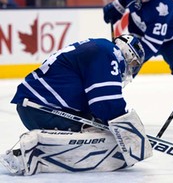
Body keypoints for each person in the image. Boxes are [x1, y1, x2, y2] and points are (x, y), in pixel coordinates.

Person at [0, 34, 152, 175]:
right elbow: (106, 104)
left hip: (37, 105)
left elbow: (98, 106)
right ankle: (30, 154)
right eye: (133, 64)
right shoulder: (107, 53)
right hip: (42, 108)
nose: (131, 69)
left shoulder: (101, 48)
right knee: (107, 140)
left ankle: (36, 150)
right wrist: (127, 128)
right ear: (128, 53)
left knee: (102, 130)